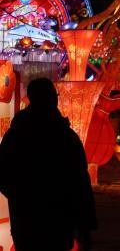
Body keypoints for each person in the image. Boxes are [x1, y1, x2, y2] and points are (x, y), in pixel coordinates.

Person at [0, 78, 97, 251]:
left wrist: (20, 195)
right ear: (52, 98)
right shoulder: (66, 136)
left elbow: (3, 173)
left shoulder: (16, 135)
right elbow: (80, 183)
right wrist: (85, 226)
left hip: (25, 219)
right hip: (59, 220)